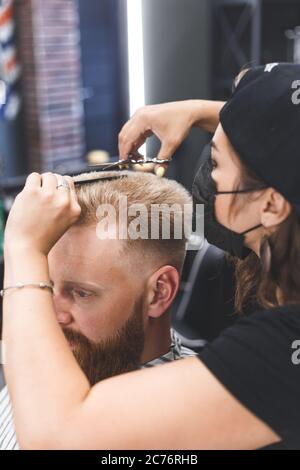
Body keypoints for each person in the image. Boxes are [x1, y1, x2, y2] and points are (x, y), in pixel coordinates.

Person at [3, 62, 300, 450]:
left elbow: (59, 437)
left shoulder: (277, 352)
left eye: (215, 163)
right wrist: (207, 113)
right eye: (47, 286)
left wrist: (23, 250)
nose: (47, 311)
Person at [0, 170, 196, 450]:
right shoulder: (59, 352)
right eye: (44, 285)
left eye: (82, 293)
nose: (49, 315)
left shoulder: (191, 419)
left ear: (159, 293)